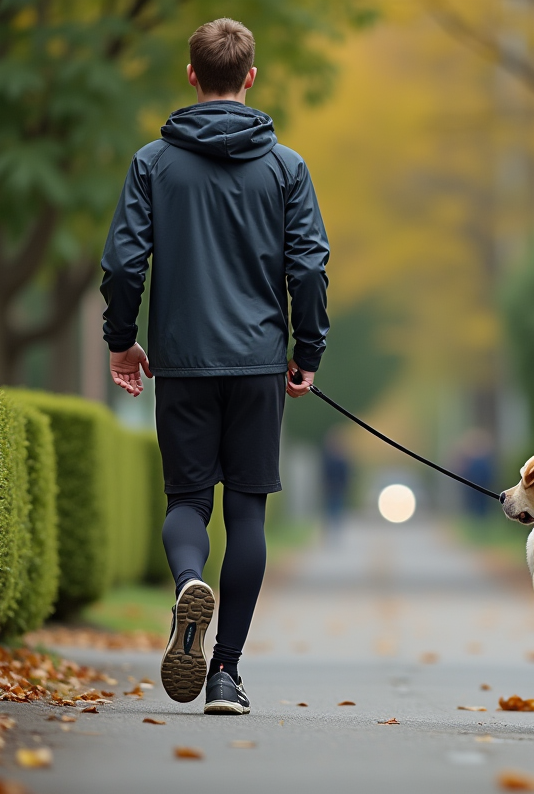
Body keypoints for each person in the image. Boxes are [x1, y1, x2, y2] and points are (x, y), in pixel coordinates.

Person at [99, 18, 329, 716]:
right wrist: (306, 350)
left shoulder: (152, 163)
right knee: (248, 510)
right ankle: (225, 674)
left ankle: (187, 580)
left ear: (192, 74)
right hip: (259, 364)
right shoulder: (286, 167)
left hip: (185, 360)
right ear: (250, 76)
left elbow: (122, 262)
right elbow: (309, 266)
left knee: (188, 503)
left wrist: (121, 339)